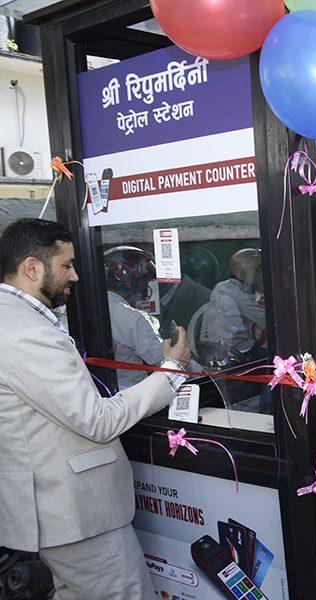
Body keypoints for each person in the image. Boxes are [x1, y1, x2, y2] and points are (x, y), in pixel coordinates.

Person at [0, 218, 191, 599]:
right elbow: (97, 421)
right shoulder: (22, 331)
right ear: (32, 268)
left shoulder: (18, 319)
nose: (74, 276)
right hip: (76, 515)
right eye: (66, 265)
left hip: (61, 512)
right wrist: (172, 372)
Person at [104, 246, 166, 389]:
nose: (145, 287)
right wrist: (202, 372)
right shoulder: (131, 317)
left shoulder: (91, 306)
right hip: (132, 392)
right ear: (126, 278)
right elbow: (162, 358)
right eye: (144, 280)